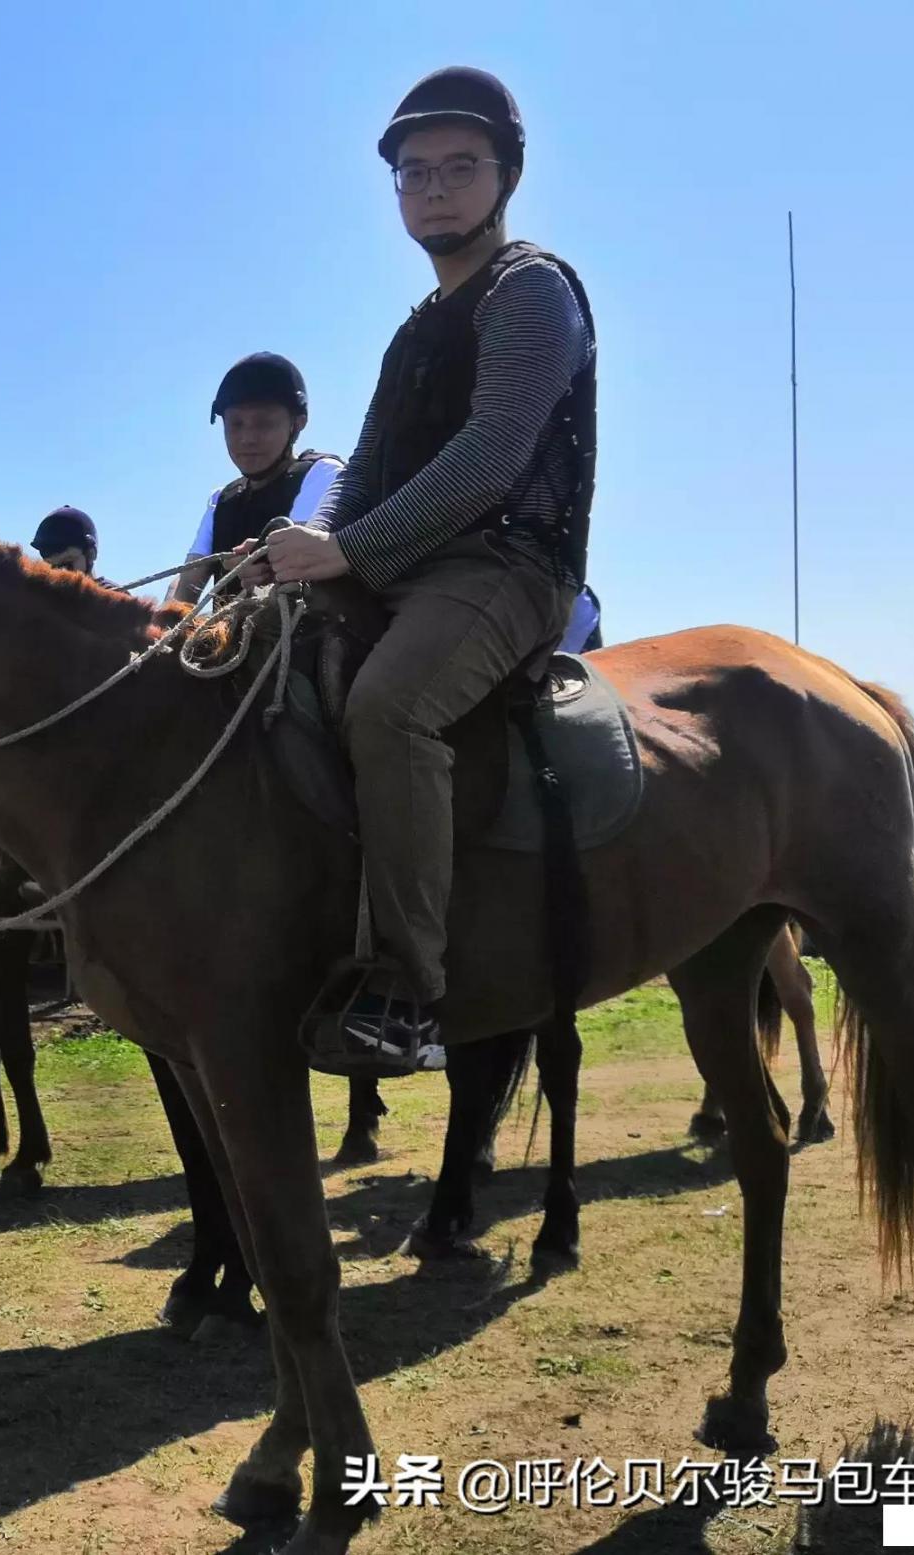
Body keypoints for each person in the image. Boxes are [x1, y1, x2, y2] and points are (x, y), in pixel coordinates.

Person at [241, 67, 597, 1076]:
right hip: (404, 567)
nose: (433, 188)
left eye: (458, 167)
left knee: (390, 707)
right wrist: (289, 554)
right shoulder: (413, 329)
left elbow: (490, 456)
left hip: (508, 566)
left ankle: (409, 985)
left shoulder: (532, 289)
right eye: (412, 173)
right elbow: (365, 473)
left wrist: (347, 552)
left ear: (508, 175)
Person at [173, 353, 344, 605]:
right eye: (236, 424)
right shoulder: (221, 500)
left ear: (297, 424)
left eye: (264, 423)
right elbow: (187, 582)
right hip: (227, 641)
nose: (247, 438)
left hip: (307, 635)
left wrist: (266, 565)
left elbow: (297, 555)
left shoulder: (323, 474)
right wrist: (162, 620)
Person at [31, 507, 99, 575]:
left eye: (68, 565)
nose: (59, 574)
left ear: (90, 554)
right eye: (51, 568)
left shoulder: (105, 586)